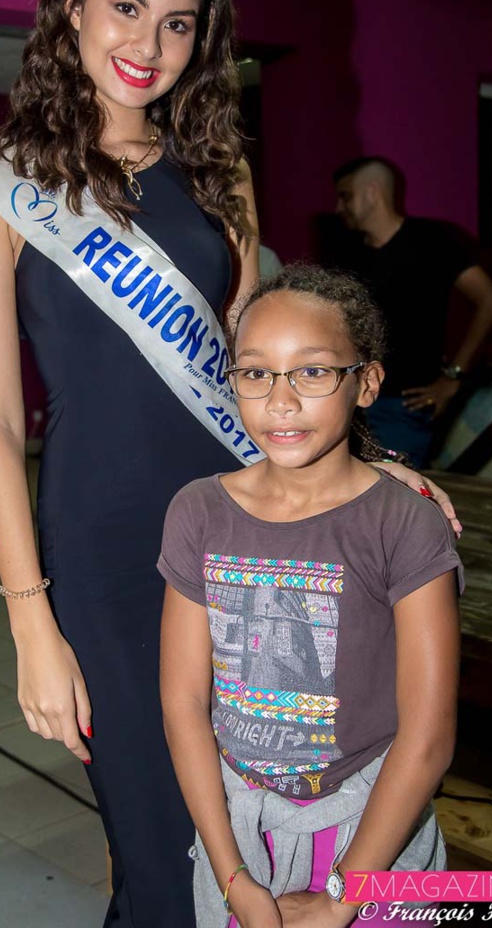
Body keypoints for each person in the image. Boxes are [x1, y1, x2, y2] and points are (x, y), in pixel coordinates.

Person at [0, 0, 459, 928]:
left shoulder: (221, 172)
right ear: (70, 9)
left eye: (179, 24)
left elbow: (247, 368)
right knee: (155, 835)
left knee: (261, 812)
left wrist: (357, 465)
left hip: (248, 528)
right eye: (127, 8)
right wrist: (29, 620)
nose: (149, 44)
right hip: (100, 550)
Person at [159, 264, 463, 928]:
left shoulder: (403, 521)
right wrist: (231, 875)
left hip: (374, 837)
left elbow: (428, 736)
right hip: (240, 836)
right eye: (255, 372)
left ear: (367, 383)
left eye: (313, 371)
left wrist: (343, 899)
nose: (281, 400)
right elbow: (183, 704)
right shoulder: (198, 512)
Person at [332, 157, 492, 468]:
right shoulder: (347, 251)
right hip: (348, 399)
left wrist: (453, 376)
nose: (338, 207)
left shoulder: (432, 240)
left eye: (346, 196)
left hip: (401, 404)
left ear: (373, 191)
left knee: (397, 502)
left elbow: (491, 303)